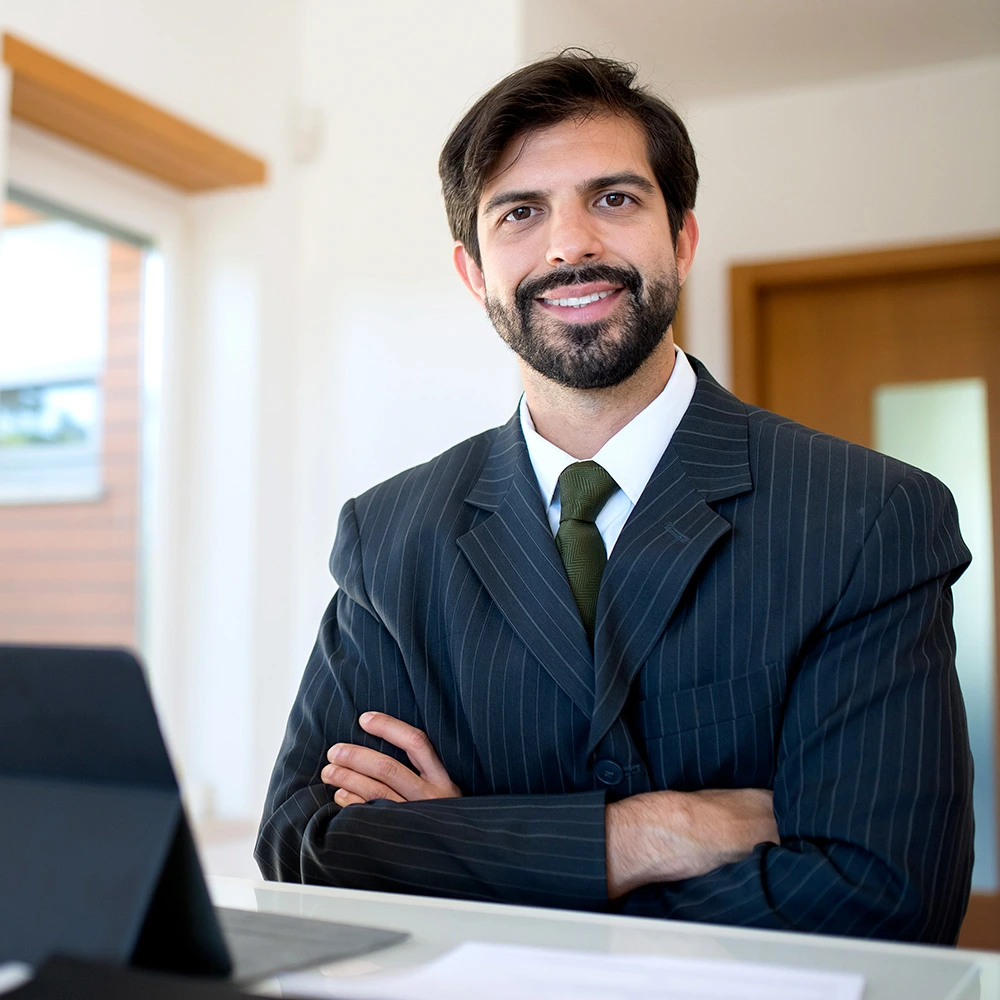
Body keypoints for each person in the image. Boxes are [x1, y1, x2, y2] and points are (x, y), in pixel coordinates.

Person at [256, 53, 974, 943]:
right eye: (521, 213)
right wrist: (644, 833)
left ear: (682, 239)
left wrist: (464, 844)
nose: (569, 246)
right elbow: (300, 848)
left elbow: (883, 898)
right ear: (474, 271)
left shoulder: (869, 517)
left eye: (614, 199)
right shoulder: (388, 536)